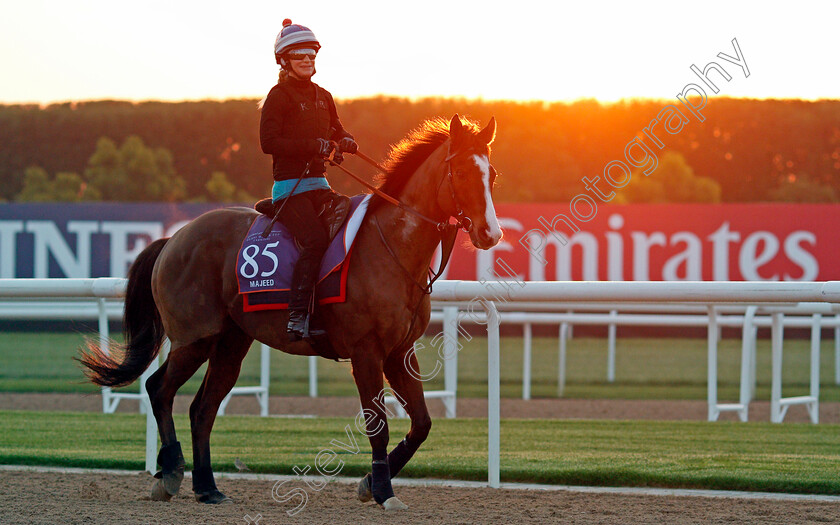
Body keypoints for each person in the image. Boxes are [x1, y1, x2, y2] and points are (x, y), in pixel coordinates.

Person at [260, 19, 358, 342]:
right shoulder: (277, 96)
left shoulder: (324, 96)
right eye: (300, 53)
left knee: (351, 221)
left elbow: (336, 130)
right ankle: (298, 314)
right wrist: (312, 146)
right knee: (315, 240)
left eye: (312, 53)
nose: (307, 59)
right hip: (290, 192)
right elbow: (268, 143)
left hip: (320, 188)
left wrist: (345, 140)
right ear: (284, 60)